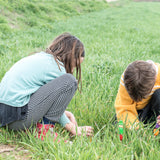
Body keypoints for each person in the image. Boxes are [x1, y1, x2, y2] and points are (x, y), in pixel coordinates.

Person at [0, 32, 93, 141]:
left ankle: (37, 127)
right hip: (17, 121)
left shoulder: (41, 58)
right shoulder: (56, 68)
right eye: (75, 64)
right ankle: (45, 131)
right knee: (70, 81)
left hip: (4, 117)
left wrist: (66, 114)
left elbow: (43, 99)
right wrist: (72, 128)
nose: (73, 69)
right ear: (69, 56)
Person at [115, 60, 160, 130]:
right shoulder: (128, 78)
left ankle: (155, 124)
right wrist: (137, 128)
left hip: (152, 108)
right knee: (119, 125)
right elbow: (124, 107)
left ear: (154, 79)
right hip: (134, 111)